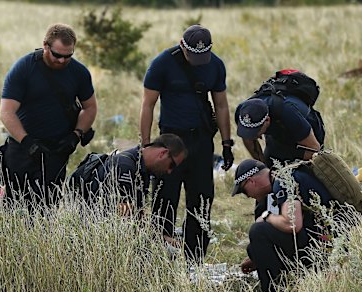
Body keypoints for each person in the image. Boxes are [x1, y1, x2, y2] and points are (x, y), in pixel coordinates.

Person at [140, 24, 234, 263]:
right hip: (171, 139)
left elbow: (221, 105)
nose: (198, 61)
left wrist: (226, 143)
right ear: (182, 46)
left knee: (201, 199)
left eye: (203, 56)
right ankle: (161, 257)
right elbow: (148, 105)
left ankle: (195, 259)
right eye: (194, 55)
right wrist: (146, 145)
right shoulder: (162, 64)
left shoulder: (215, 65)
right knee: (165, 198)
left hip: (202, 139)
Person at [0, 23, 97, 209]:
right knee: (15, 206)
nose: (62, 61)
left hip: (57, 150)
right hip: (22, 149)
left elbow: (90, 107)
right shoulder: (24, 68)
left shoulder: (79, 72)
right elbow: (6, 112)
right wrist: (27, 142)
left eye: (68, 56)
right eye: (57, 55)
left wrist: (76, 135)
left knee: (47, 207)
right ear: (45, 45)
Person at [231, 158, 342, 292]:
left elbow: (292, 224)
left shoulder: (284, 182)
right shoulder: (280, 180)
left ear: (251, 181)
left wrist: (266, 217)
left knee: (258, 230)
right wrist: (258, 258)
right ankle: (282, 286)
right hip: (322, 242)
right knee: (254, 248)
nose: (248, 196)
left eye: (244, 191)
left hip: (326, 248)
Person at [81, 134, 187, 218]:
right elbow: (122, 213)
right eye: (171, 165)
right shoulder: (125, 166)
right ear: (163, 153)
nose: (169, 171)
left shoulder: (141, 166)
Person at [235, 95, 324, 169]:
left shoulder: (288, 113)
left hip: (308, 131)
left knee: (302, 172)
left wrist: (288, 162)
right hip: (279, 132)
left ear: (267, 120)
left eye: (255, 131)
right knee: (271, 167)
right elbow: (248, 139)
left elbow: (315, 151)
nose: (251, 135)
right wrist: (264, 168)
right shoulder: (243, 113)